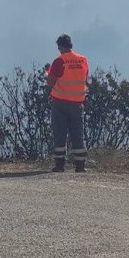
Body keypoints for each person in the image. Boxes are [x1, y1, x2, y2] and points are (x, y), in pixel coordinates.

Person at [44, 33, 89, 172]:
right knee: (78, 133)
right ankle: (80, 165)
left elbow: (51, 80)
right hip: (78, 102)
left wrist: (46, 72)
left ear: (60, 47)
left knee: (60, 133)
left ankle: (60, 165)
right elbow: (85, 76)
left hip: (60, 102)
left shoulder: (59, 61)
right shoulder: (83, 60)